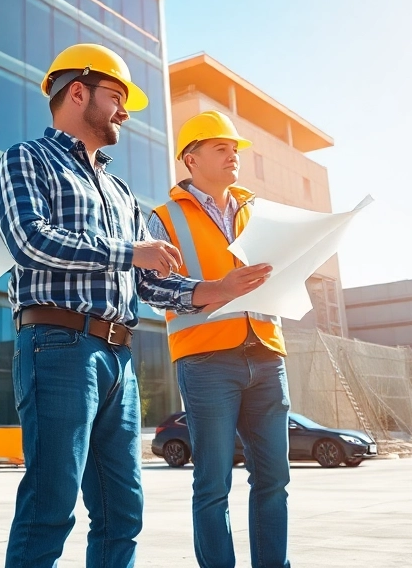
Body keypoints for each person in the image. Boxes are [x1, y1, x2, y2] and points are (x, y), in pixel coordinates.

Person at [0, 44, 272, 568]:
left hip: (119, 357)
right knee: (50, 504)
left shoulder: (120, 191)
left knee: (123, 512)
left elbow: (150, 282)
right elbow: (30, 240)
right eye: (116, 97)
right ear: (77, 92)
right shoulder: (24, 159)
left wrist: (216, 290)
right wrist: (128, 250)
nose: (124, 111)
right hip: (57, 344)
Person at [146, 110, 290, 568]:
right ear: (191, 158)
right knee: (213, 482)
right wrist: (215, 291)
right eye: (221, 149)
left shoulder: (257, 211)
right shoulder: (164, 218)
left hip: (267, 352)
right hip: (207, 359)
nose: (233, 158)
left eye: (235, 151)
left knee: (273, 478)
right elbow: (151, 289)